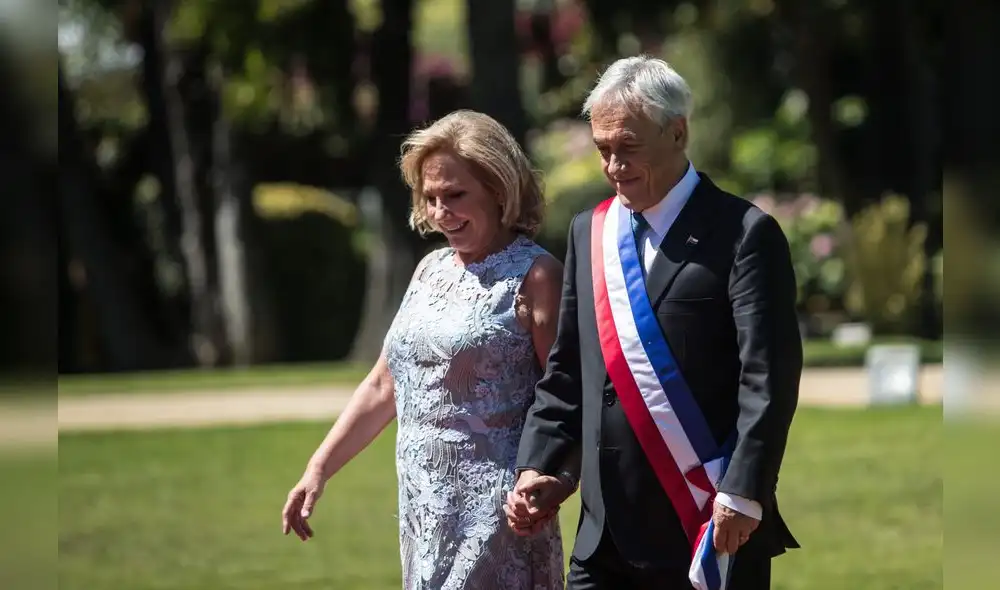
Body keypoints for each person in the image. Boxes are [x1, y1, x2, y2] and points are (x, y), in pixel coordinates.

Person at [504, 56, 802, 589]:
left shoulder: (744, 234)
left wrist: (743, 491)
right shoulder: (587, 233)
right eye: (603, 150)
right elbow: (568, 370)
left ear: (678, 133)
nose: (614, 165)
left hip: (707, 525)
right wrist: (539, 465)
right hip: (603, 536)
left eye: (628, 147)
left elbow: (768, 380)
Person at [281, 109, 569, 589]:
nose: (440, 212)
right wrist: (318, 469)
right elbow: (383, 384)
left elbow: (567, 397)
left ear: (500, 189)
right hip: (424, 504)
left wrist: (551, 483)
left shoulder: (538, 276)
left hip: (500, 511)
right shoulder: (429, 270)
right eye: (431, 197)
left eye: (455, 195)